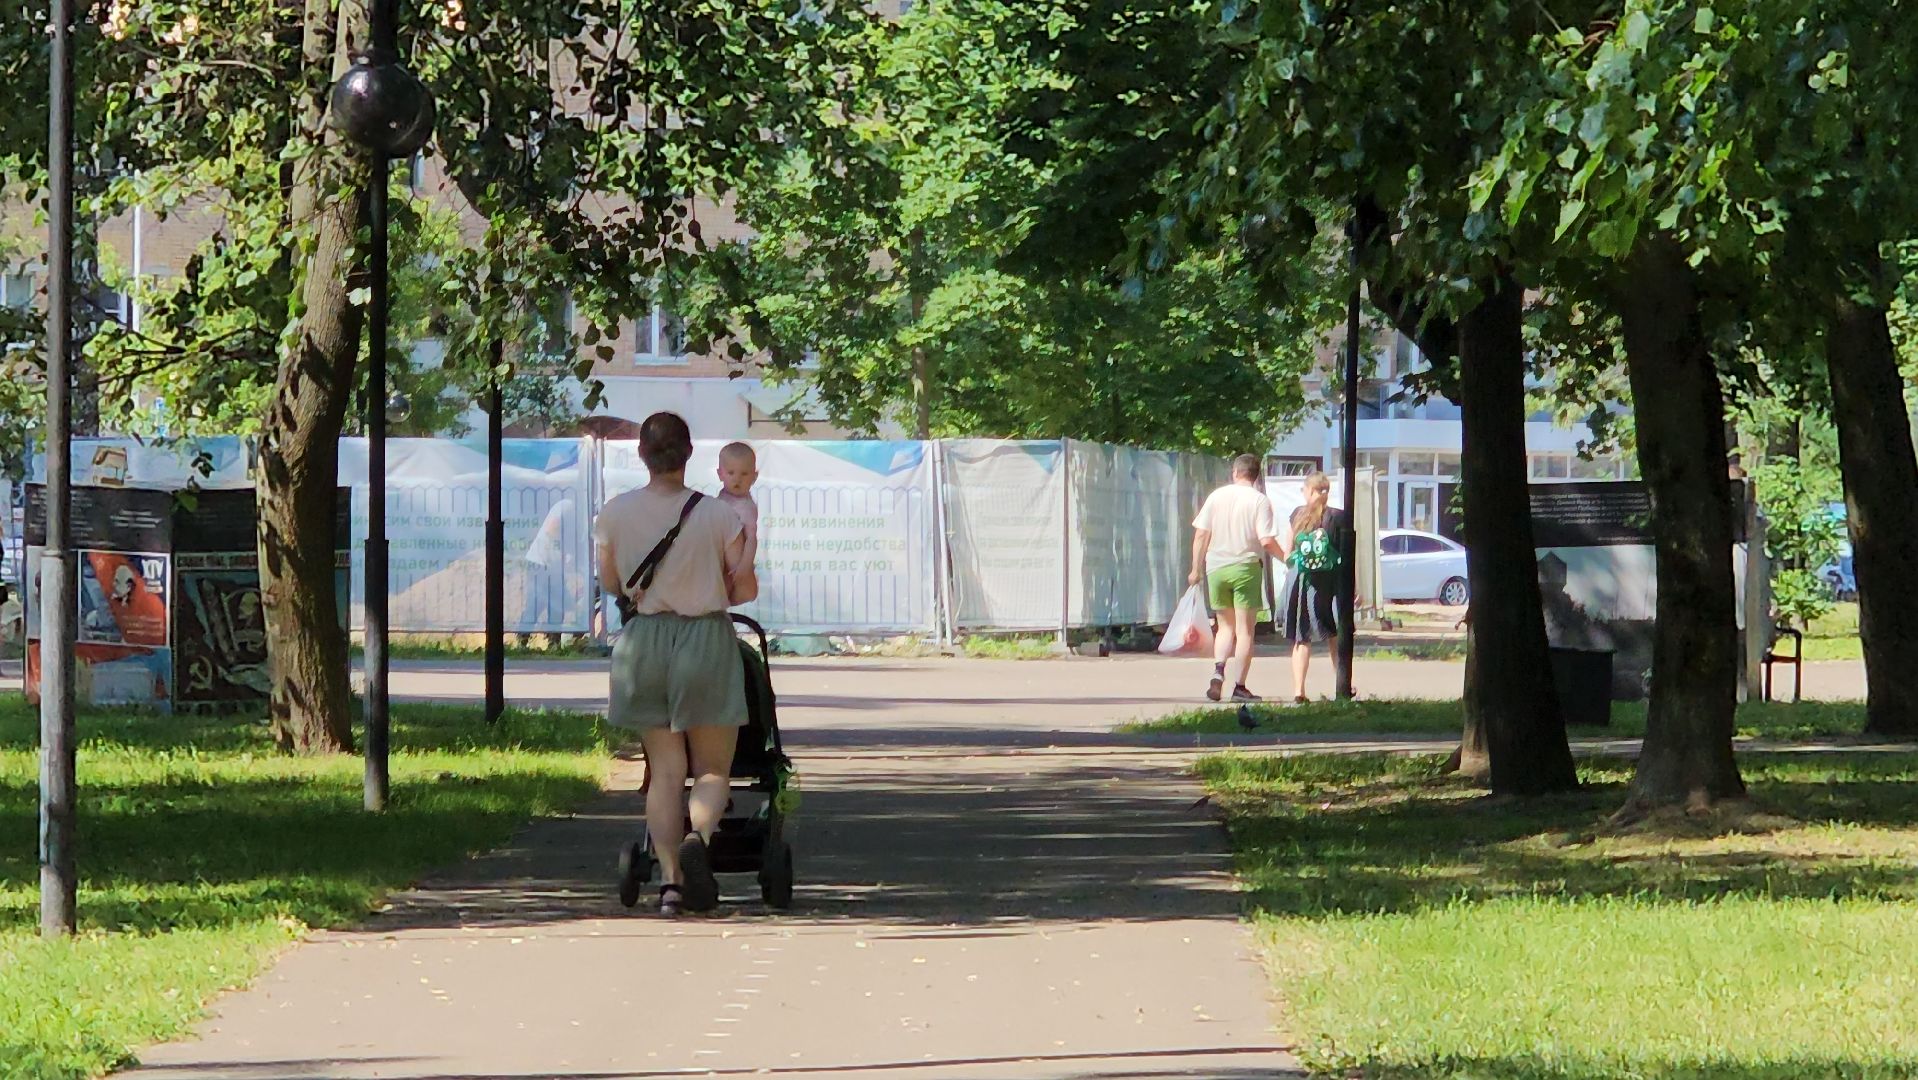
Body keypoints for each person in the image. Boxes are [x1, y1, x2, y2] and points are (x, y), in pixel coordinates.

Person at [594, 412, 759, 916]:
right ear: (689, 456)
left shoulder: (614, 513)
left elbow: (610, 584)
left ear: (643, 455)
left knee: (665, 771)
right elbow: (744, 588)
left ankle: (669, 882)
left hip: (643, 643)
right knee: (711, 769)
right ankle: (700, 838)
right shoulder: (719, 515)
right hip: (705, 639)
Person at [1189, 454, 1286, 702]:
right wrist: (1286, 558)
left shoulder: (1216, 497)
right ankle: (1239, 687)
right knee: (1244, 632)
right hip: (1245, 568)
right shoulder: (1259, 501)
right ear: (1256, 476)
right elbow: (1266, 540)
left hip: (1216, 568)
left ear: (1235, 472)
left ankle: (1218, 671)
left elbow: (1201, 535)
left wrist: (1195, 569)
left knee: (1224, 627)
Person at [1279, 472, 1349, 703]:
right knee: (1334, 635)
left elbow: (1288, 553)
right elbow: (1345, 555)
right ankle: (1342, 686)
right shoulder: (1338, 518)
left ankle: (1299, 691)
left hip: (1301, 580)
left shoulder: (1297, 516)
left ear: (1309, 491)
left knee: (1302, 637)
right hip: (1329, 582)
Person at [715, 441, 761, 568]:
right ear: (720, 474)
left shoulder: (746, 507)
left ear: (754, 477)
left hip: (735, 565)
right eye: (731, 473)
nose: (737, 479)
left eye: (744, 474)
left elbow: (751, 539)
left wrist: (745, 566)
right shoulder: (721, 497)